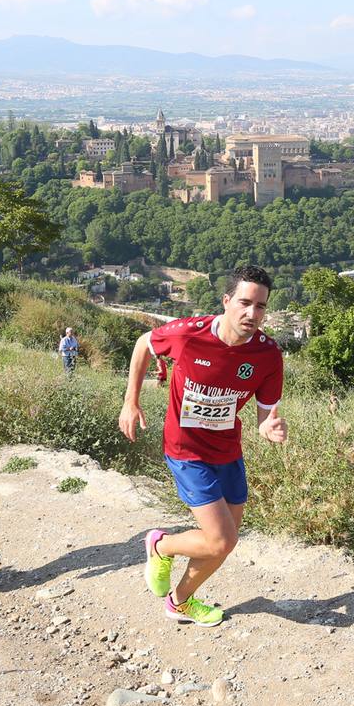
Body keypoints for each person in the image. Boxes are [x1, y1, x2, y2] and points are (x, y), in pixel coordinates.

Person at [118, 265, 287, 628]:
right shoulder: (188, 335)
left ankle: (178, 602)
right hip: (186, 449)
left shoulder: (268, 355)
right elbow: (142, 345)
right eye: (244, 303)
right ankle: (161, 547)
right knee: (220, 541)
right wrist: (130, 401)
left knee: (226, 541)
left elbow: (262, 417)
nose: (251, 314)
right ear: (226, 302)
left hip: (228, 451)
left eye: (260, 307)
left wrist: (269, 428)